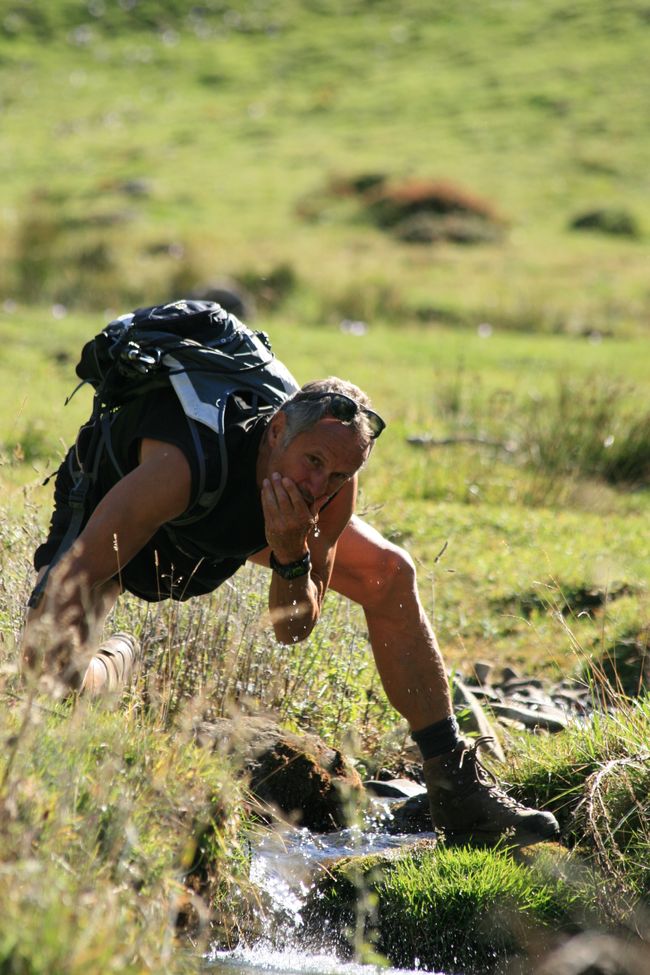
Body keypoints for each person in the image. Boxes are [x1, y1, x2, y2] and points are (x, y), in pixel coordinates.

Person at [23, 369, 559, 844]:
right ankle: (119, 660)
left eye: (340, 475)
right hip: (127, 522)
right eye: (313, 462)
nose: (317, 487)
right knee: (47, 676)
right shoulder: (182, 467)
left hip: (229, 524)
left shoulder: (328, 494)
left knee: (390, 572)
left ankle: (457, 787)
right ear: (277, 431)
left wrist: (289, 553)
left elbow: (293, 628)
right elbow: (76, 576)